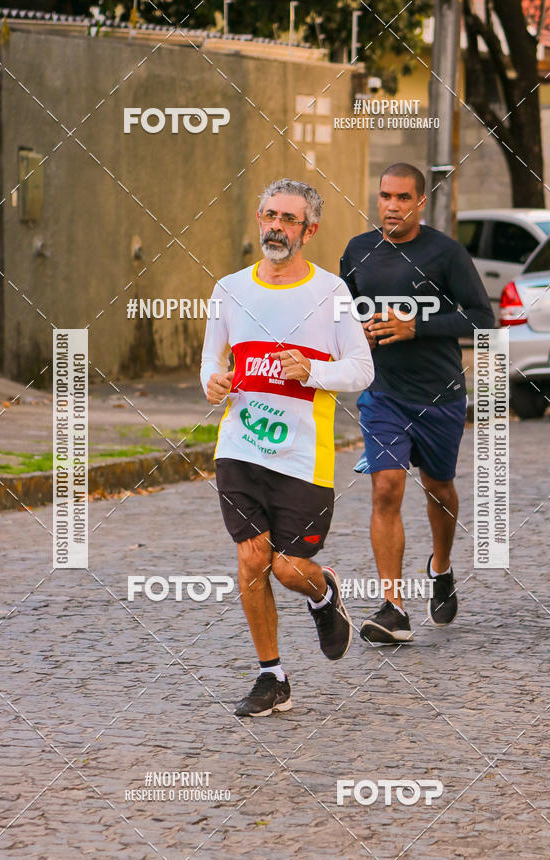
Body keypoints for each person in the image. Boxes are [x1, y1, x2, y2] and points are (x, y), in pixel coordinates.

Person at [201, 178, 374, 716]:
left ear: (310, 230)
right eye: (269, 215)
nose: (276, 226)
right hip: (240, 447)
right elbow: (212, 360)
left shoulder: (332, 294)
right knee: (252, 558)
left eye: (289, 219)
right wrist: (213, 381)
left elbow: (363, 369)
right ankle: (271, 675)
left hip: (303, 453)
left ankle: (324, 595)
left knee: (286, 567)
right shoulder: (229, 288)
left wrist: (315, 370)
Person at [340, 162, 494, 644]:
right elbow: (340, 313)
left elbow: (483, 320)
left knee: (439, 488)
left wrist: (417, 327)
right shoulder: (358, 251)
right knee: (386, 487)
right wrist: (353, 334)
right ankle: (392, 607)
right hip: (383, 393)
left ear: (420, 202)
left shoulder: (445, 254)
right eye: (385, 196)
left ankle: (442, 568)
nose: (391, 206)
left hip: (440, 395)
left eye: (403, 198)